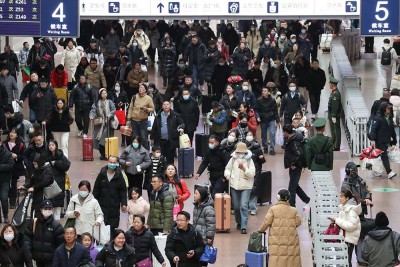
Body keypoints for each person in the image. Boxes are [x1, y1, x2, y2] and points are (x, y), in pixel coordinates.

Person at [258, 189, 302, 267]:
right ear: (288, 198)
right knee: (291, 259)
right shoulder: (294, 210)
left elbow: (266, 222)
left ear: (278, 197)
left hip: (276, 239)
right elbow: (298, 222)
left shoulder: (273, 209)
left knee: (276, 257)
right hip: (291, 239)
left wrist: (260, 230)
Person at [93, 156, 127, 239]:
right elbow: (96, 189)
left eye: (114, 162)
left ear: (116, 164)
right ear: (107, 162)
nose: (112, 164)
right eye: (110, 162)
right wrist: (93, 203)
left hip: (114, 207)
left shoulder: (119, 176)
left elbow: (123, 190)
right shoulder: (102, 174)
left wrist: (124, 204)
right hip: (102, 206)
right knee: (101, 226)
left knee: (112, 227)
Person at [224, 142, 255, 234]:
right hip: (234, 185)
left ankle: (244, 226)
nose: (239, 154)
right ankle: (239, 221)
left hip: (246, 186)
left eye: (241, 152)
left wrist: (244, 169)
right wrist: (227, 175)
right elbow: (227, 168)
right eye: (238, 152)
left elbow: (252, 174)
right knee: (236, 207)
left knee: (243, 205)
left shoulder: (250, 161)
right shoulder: (233, 159)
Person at [25, 199, 65, 267]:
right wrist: (29, 251)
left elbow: (60, 244)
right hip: (38, 259)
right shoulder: (34, 223)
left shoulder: (56, 226)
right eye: (45, 208)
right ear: (41, 209)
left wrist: (56, 256)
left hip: (51, 260)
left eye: (49, 208)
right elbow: (27, 237)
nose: (47, 210)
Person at [328, 189, 361, 267]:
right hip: (345, 238)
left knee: (346, 261)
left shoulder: (351, 211)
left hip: (348, 240)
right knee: (344, 261)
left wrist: (337, 220)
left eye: (342, 197)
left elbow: (350, 226)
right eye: (339, 196)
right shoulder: (343, 209)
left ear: (347, 198)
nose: (339, 198)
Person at [282, 124, 310, 207]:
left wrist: (293, 163)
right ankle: (306, 199)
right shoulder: (295, 137)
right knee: (294, 185)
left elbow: (299, 154)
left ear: (286, 132)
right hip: (294, 165)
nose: (283, 134)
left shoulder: (294, 141)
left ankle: (291, 206)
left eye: (284, 132)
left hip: (296, 166)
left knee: (292, 188)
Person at [370, 102, 397, 179]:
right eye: (388, 108)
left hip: (386, 140)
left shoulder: (389, 118)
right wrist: (372, 139)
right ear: (383, 109)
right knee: (384, 156)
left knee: (379, 156)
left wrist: (394, 141)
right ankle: (389, 172)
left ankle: (376, 171)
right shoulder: (378, 118)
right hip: (379, 141)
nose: (389, 109)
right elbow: (373, 129)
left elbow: (392, 130)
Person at [44, 139, 71, 220]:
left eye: (52, 145)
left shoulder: (60, 155)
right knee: (49, 203)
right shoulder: (45, 156)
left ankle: (57, 220)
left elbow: (67, 165)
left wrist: (56, 163)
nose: (51, 147)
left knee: (58, 204)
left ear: (56, 146)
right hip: (49, 183)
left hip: (59, 183)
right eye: (49, 145)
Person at [89, 88, 116, 160]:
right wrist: (92, 116)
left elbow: (113, 109)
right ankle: (103, 154)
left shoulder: (109, 102)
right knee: (99, 139)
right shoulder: (97, 103)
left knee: (105, 139)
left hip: (108, 123)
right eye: (103, 93)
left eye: (105, 93)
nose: (104, 95)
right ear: (100, 94)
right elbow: (93, 110)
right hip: (100, 124)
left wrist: (110, 114)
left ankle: (106, 153)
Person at [126, 83, 154, 148]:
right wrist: (128, 119)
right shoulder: (134, 97)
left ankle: (145, 152)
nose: (140, 89)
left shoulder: (148, 98)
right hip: (134, 120)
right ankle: (135, 152)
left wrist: (147, 109)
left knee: (144, 137)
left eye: (142, 88)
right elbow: (130, 108)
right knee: (135, 137)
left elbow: (152, 109)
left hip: (143, 121)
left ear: (145, 90)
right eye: (139, 88)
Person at [3, 128, 25, 209]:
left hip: (16, 168)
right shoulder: (4, 143)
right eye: (11, 132)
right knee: (6, 184)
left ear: (17, 135)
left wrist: (17, 156)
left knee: (13, 184)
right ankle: (6, 199)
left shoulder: (21, 144)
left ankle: (13, 202)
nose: (12, 134)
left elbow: (23, 156)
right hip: (6, 167)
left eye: (14, 133)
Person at [192, 187, 216, 267]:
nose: (194, 195)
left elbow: (211, 224)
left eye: (196, 194)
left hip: (204, 238)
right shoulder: (196, 206)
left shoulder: (208, 209)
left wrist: (209, 237)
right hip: (196, 236)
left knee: (203, 258)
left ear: (202, 195)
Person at [245, 131, 266, 215]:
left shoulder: (257, 147)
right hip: (245, 170)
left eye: (250, 135)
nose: (249, 136)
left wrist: (261, 158)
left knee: (254, 189)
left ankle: (253, 207)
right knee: (246, 188)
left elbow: (263, 161)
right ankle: (245, 207)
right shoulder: (242, 146)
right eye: (247, 135)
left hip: (256, 170)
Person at [255, 86, 279, 154]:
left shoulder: (272, 100)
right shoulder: (259, 100)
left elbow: (275, 110)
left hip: (271, 118)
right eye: (263, 91)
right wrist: (257, 116)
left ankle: (272, 148)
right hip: (263, 119)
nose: (263, 92)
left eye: (265, 91)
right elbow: (256, 109)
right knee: (264, 135)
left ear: (269, 92)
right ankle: (265, 147)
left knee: (272, 133)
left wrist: (277, 119)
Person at [327, 76, 342, 151]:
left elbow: (335, 106)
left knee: (335, 130)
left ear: (332, 84)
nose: (329, 85)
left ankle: (336, 145)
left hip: (334, 115)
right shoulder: (333, 92)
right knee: (333, 130)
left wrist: (333, 116)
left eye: (330, 84)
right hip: (332, 114)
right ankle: (334, 143)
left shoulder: (335, 94)